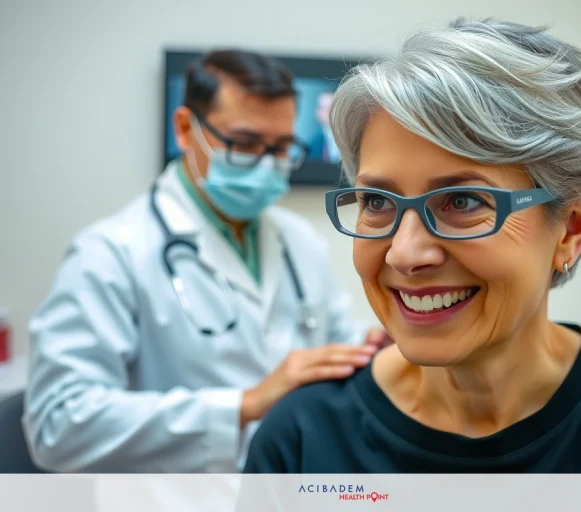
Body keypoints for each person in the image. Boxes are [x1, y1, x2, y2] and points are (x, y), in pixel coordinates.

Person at [241, 18, 581, 473]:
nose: (404, 255)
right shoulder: (303, 441)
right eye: (376, 200)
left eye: (463, 200)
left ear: (572, 226)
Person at [23, 49, 389, 473]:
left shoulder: (299, 241)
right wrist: (244, 405)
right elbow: (58, 425)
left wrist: (369, 351)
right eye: (245, 143)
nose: (267, 164)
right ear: (184, 129)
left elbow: (333, 346)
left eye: (282, 147)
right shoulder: (111, 252)